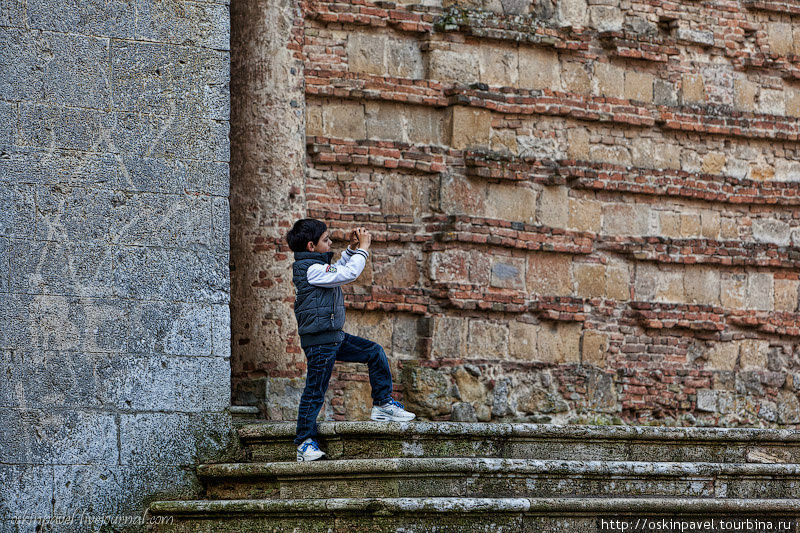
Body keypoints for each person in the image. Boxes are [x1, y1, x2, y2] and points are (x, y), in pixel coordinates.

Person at [285, 218, 416, 461]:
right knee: (315, 391)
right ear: (311, 246)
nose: (331, 242)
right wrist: (364, 248)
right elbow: (348, 273)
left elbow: (337, 269)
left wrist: (352, 250)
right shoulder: (310, 270)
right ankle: (304, 443)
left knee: (374, 352)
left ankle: (383, 405)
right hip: (320, 342)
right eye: (326, 239)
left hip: (334, 338)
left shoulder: (318, 267)